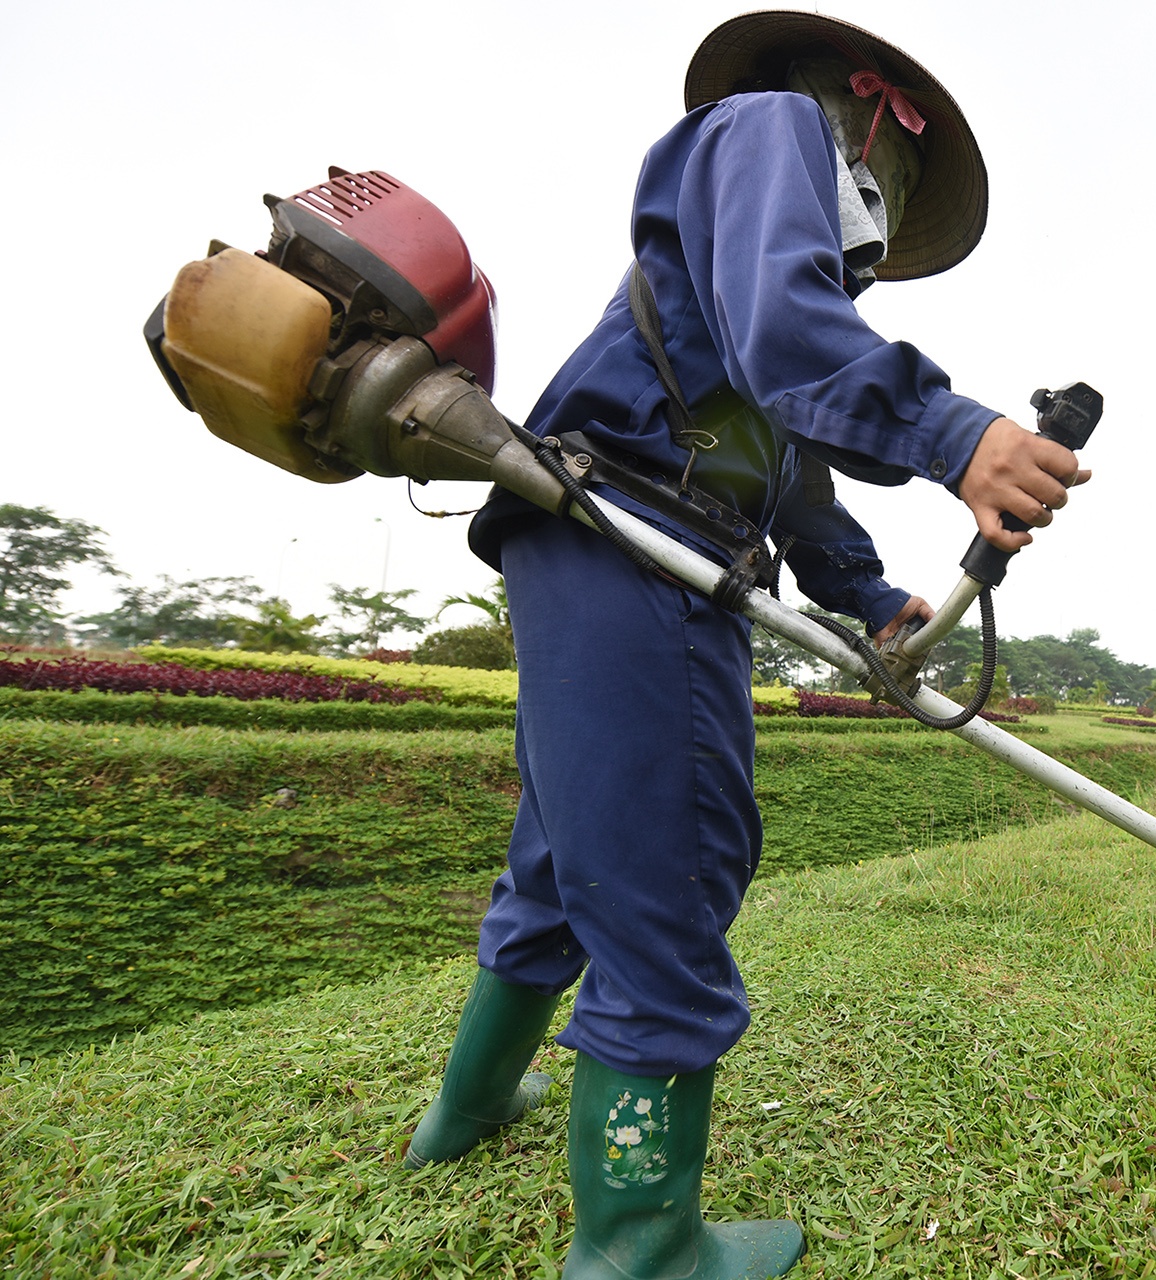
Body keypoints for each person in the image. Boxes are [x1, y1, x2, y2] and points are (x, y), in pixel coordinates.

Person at [400, 13, 1089, 1279]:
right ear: (880, 110)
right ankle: (643, 1243)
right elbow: (788, 330)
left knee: (567, 861)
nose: (882, 222)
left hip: (592, 539)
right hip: (638, 543)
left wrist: (870, 593)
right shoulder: (775, 126)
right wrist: (955, 432)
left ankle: (468, 1106)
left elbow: (786, 464)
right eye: (898, 185)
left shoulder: (728, 264)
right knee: (668, 870)